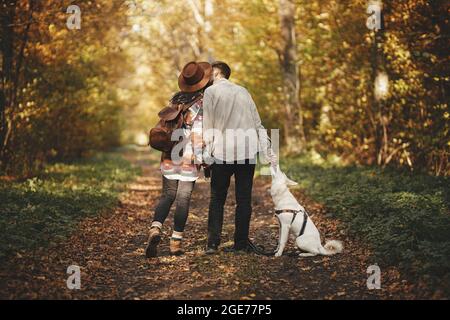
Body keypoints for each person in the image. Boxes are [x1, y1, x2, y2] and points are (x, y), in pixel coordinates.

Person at [202, 61, 277, 254]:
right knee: (244, 199)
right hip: (247, 151)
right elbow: (257, 124)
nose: (207, 78)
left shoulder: (210, 93)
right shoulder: (243, 91)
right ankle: (241, 244)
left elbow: (208, 127)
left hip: (222, 152)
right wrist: (267, 150)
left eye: (209, 74)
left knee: (217, 198)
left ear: (217, 74)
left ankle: (212, 244)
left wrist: (206, 154)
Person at [145, 61, 212, 258]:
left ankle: (155, 228)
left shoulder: (174, 100)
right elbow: (199, 134)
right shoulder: (202, 104)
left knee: (167, 194)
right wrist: (205, 160)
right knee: (183, 198)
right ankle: (175, 243)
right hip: (189, 155)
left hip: (169, 152)